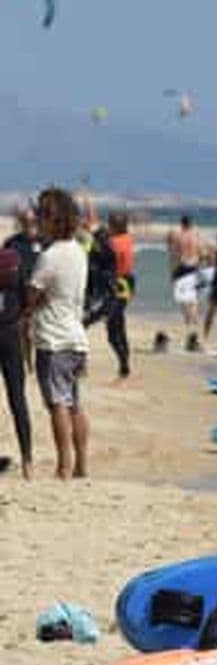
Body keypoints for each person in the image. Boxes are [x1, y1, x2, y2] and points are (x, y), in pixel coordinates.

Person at [28, 187, 90, 480]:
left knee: (58, 404)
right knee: (74, 403)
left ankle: (64, 466)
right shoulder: (78, 251)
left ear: (52, 220)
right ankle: (81, 464)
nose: (37, 223)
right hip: (77, 337)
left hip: (53, 339)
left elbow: (32, 297)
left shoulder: (49, 256)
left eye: (41, 217)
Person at [0, 243, 33, 479]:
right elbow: (24, 300)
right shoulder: (12, 260)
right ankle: (27, 462)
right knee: (18, 400)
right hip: (10, 334)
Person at [4, 205, 41, 371]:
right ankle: (28, 362)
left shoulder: (44, 241)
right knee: (23, 330)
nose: (29, 225)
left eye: (32, 221)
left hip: (39, 293)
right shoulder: (12, 242)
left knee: (37, 331)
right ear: (21, 222)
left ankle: (36, 362)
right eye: (26, 221)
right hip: (19, 292)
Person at [106, 211, 135, 380]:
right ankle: (124, 364)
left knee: (113, 330)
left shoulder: (113, 243)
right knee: (119, 324)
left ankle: (124, 365)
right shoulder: (128, 239)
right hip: (128, 284)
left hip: (116, 284)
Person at [168, 214, 202, 349]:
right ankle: (195, 330)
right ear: (191, 223)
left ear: (182, 224)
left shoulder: (179, 237)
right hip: (194, 266)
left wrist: (172, 272)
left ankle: (190, 330)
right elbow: (202, 252)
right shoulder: (196, 236)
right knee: (193, 300)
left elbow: (174, 256)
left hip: (182, 267)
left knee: (184, 301)